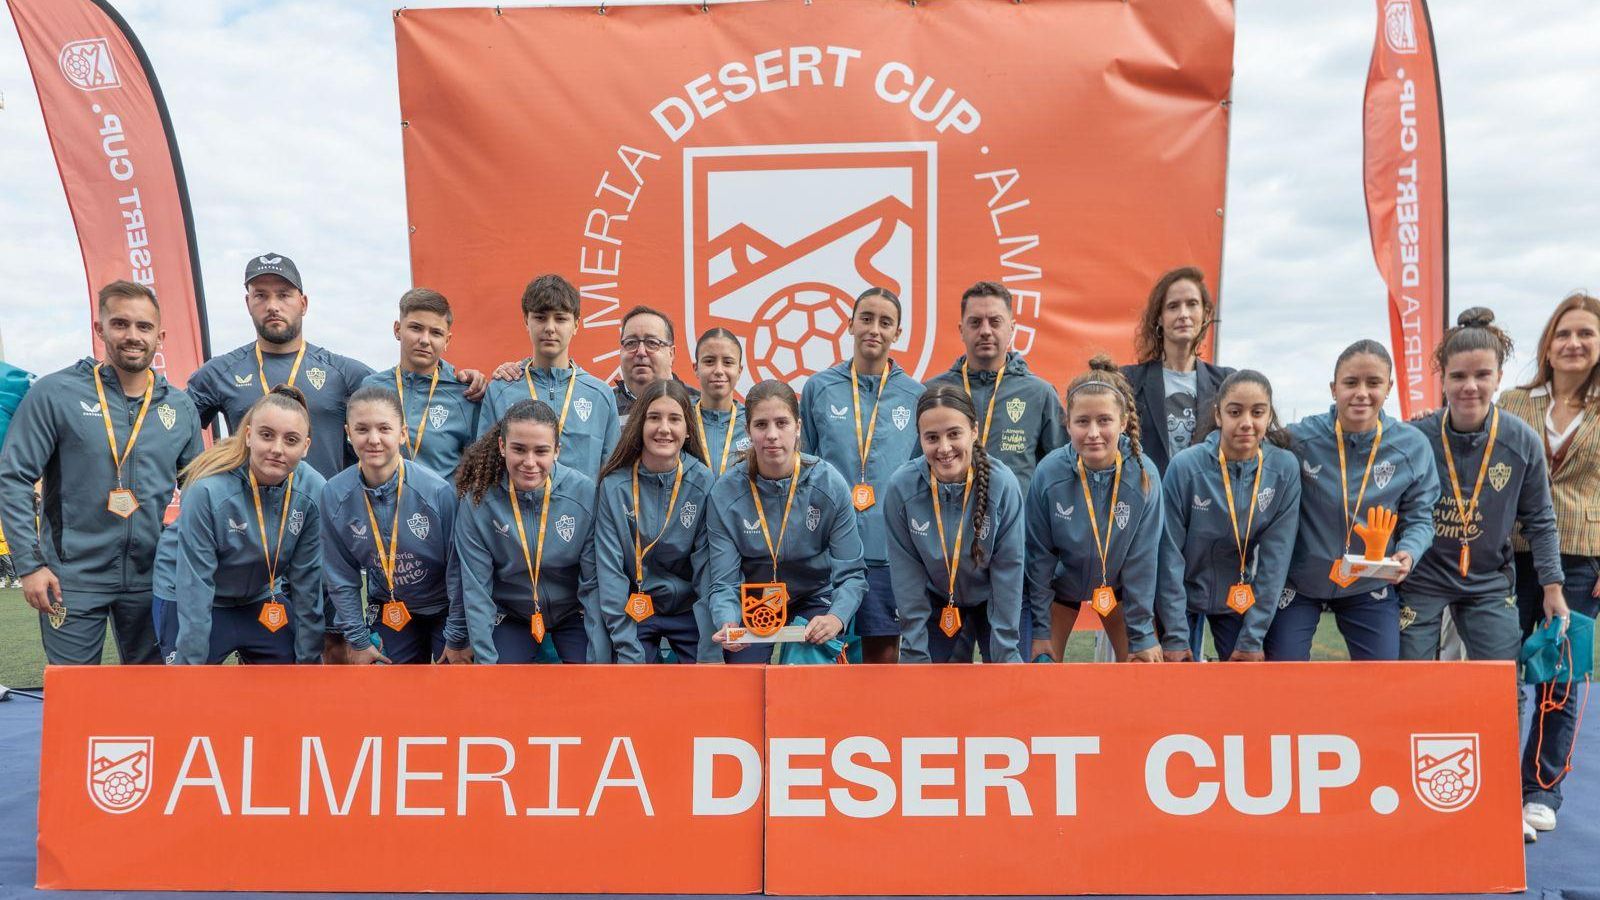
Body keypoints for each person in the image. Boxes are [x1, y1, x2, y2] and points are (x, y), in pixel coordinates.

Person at [0, 281, 202, 664]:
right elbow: (14, 477)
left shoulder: (179, 407)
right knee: (78, 698)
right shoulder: (55, 393)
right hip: (70, 578)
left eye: (144, 327)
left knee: (154, 697)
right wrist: (30, 565)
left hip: (151, 578)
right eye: (120, 323)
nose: (132, 336)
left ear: (160, 337)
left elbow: (199, 489)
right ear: (100, 329)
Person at [1265, 340, 1440, 661]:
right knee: (1282, 673)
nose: (1361, 392)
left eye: (1373, 383)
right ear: (1334, 389)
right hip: (1301, 581)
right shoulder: (1299, 439)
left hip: (1368, 583)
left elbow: (1421, 517)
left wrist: (1409, 552)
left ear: (1388, 387)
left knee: (1382, 678)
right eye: (1350, 383)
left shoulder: (1412, 446)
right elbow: (1252, 443)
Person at [1498, 291, 1600, 837]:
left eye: (1585, 333)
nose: (1574, 343)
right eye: (1564, 333)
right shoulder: (1515, 404)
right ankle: (1490, 784)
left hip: (1583, 557)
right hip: (1510, 554)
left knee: (1558, 676)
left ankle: (1540, 791)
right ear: (1548, 343)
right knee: (1501, 672)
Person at [799, 287, 924, 662]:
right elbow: (805, 467)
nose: (874, 329)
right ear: (849, 324)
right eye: (866, 318)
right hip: (829, 554)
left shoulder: (915, 395)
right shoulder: (819, 388)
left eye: (886, 322)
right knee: (822, 655)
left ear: (898, 333)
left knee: (882, 662)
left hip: (889, 552)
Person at [159, 386, 325, 664]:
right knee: (191, 691)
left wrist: (307, 663)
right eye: (267, 435)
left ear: (306, 447)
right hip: (191, 596)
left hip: (259, 597)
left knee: (288, 680)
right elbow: (195, 584)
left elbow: (308, 582)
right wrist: (190, 671)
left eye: (291, 439)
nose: (277, 449)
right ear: (248, 435)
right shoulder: (208, 491)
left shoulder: (314, 491)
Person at [705, 380, 867, 664]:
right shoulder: (726, 493)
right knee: (747, 676)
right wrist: (728, 621)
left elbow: (852, 574)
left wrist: (835, 617)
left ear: (798, 427)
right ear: (748, 431)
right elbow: (723, 583)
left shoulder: (829, 485)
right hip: (755, 601)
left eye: (782, 423)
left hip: (815, 596)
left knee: (806, 667)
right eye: (761, 425)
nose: (772, 435)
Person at [185, 254, 377, 478]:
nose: (272, 306)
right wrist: (200, 481)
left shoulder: (345, 373)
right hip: (248, 510)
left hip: (322, 510)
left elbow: (396, 424)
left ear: (303, 304)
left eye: (283, 295)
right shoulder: (221, 372)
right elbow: (170, 430)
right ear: (248, 303)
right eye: (261, 296)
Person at [1025, 356, 1164, 662]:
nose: (1093, 432)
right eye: (1082, 421)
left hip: (1117, 589)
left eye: (1104, 420)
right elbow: (1038, 559)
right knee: (1039, 666)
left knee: (1143, 665)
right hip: (1062, 588)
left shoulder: (1143, 476)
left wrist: (1141, 633)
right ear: (1068, 423)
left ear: (1123, 422)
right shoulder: (1049, 474)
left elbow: (1143, 562)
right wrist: (1039, 630)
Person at [1156, 370, 1301, 661]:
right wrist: (1174, 634)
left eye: (1257, 412)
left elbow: (1275, 561)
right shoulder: (1185, 467)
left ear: (1268, 415)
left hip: (1237, 595)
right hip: (1179, 595)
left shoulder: (1283, 470)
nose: (1246, 423)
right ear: (1219, 415)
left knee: (1245, 688)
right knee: (1173, 688)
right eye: (1235, 412)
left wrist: (1252, 638)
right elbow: (1169, 553)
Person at [321, 387, 466, 665]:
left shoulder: (436, 492)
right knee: (389, 691)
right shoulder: (334, 494)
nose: (373, 439)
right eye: (362, 429)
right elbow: (341, 575)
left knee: (455, 688)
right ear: (348, 433)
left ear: (402, 433)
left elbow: (458, 569)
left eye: (384, 428)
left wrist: (459, 634)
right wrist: (358, 641)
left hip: (443, 608)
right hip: (388, 605)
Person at [452, 399, 604, 664]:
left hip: (572, 612)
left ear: (557, 450)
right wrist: (486, 667)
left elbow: (592, 584)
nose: (530, 462)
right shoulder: (478, 500)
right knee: (499, 688)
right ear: (502, 446)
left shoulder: (583, 493)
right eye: (519, 449)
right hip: (512, 614)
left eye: (541, 451)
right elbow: (477, 590)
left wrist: (598, 660)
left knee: (589, 682)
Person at [883, 385, 1025, 663]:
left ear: (974, 431)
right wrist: (915, 652)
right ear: (920, 438)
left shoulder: (1002, 484)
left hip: (994, 598)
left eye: (954, 434)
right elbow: (907, 577)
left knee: (1005, 681)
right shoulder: (902, 488)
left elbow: (1009, 570)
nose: (944, 448)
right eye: (932, 438)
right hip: (937, 599)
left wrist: (1005, 652)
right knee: (925, 686)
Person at [594, 379, 714, 663]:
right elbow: (610, 573)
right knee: (637, 692)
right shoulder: (614, 486)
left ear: (687, 430)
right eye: (654, 418)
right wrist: (626, 646)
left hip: (688, 611)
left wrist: (710, 646)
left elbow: (708, 569)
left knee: (705, 695)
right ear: (639, 425)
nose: (664, 428)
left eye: (674, 419)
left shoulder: (703, 482)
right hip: (633, 611)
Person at [925, 281, 1066, 496]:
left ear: (1011, 328)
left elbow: (1061, 469)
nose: (985, 331)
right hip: (946, 522)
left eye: (995, 322)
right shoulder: (933, 392)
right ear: (961, 330)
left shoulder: (1039, 393)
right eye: (975, 322)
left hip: (1016, 526)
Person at [480, 275, 620, 483]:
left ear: (576, 324)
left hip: (582, 512)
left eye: (560, 318)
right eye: (540, 317)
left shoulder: (600, 395)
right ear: (526, 321)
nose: (550, 328)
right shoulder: (501, 388)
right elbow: (485, 467)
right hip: (515, 513)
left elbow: (612, 474)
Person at [1120, 267, 1235, 474]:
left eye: (1192, 304)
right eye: (1173, 306)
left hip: (1204, 502)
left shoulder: (1226, 382)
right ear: (1160, 318)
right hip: (1148, 501)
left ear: (1205, 313)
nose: (1183, 314)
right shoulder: (1128, 381)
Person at [358, 288, 481, 479]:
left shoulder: (465, 395)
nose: (424, 340)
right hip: (380, 506)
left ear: (447, 340)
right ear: (397, 330)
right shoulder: (371, 388)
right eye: (416, 328)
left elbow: (479, 467)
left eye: (436, 333)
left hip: (441, 507)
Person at [613, 306, 699, 421]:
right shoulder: (602, 404)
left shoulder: (698, 406)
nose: (641, 352)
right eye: (631, 343)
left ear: (671, 354)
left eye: (652, 343)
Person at [691, 327, 749, 478]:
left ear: (739, 370)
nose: (718, 370)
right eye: (709, 361)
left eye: (728, 362)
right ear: (696, 368)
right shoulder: (680, 418)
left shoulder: (753, 422)